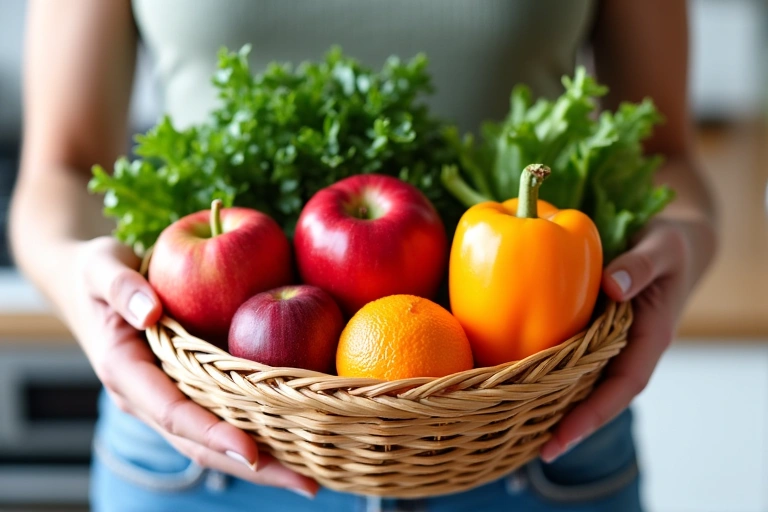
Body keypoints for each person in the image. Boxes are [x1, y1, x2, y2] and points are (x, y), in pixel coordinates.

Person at [9, 1, 717, 510]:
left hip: (532, 435)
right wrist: (80, 281)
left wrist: (682, 243)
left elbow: (665, 157)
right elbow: (61, 170)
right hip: (206, 451)